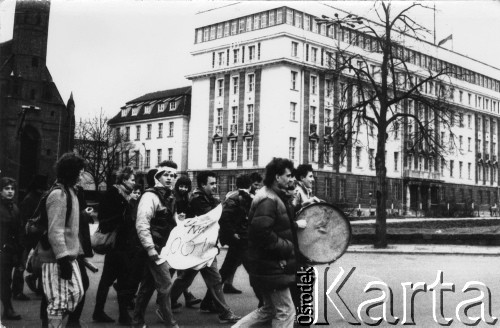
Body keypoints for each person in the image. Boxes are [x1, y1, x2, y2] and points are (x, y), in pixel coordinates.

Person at [233, 158, 306, 328]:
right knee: (286, 311)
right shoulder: (268, 200)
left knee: (269, 310)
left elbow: (278, 226)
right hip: (271, 266)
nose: (292, 179)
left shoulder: (273, 196)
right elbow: (262, 234)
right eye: (288, 176)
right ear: (276, 177)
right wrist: (287, 248)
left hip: (267, 265)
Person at [170, 171, 241, 324]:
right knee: (189, 279)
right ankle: (224, 312)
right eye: (212, 184)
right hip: (199, 247)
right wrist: (219, 204)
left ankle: (224, 312)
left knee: (202, 279)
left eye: (215, 183)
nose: (215, 186)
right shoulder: (198, 199)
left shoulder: (205, 198)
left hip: (204, 246)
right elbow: (212, 216)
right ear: (203, 184)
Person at [39, 152, 86, 328]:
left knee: (77, 293)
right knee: (58, 303)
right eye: (80, 172)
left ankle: (53, 321)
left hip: (68, 256)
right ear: (71, 172)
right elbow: (55, 231)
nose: (82, 175)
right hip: (56, 258)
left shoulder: (71, 192)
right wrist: (63, 258)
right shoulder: (58, 195)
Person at [133, 161, 179, 328]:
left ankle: (137, 321)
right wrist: (151, 249)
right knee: (166, 285)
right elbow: (142, 224)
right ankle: (171, 324)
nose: (170, 178)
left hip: (164, 248)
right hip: (156, 249)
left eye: (173, 176)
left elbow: (170, 222)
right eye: (166, 175)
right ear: (158, 177)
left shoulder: (169, 196)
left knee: (148, 285)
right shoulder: (150, 196)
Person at [93, 166, 137, 325]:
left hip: (124, 244)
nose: (134, 182)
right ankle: (115, 314)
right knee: (113, 280)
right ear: (124, 180)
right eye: (132, 179)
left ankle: (113, 313)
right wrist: (128, 204)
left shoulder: (125, 194)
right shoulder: (112, 194)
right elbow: (108, 218)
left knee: (117, 280)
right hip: (116, 244)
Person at [219, 174, 256, 298]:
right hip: (240, 239)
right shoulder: (241, 197)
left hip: (239, 239)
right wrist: (233, 233)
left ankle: (208, 301)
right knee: (253, 269)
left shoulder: (234, 196)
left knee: (225, 270)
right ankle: (266, 300)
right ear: (250, 185)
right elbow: (226, 218)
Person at [171, 176, 201, 309]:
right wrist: (178, 217)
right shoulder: (174, 197)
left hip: (182, 234)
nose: (183, 189)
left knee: (180, 268)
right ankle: (169, 297)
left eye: (185, 187)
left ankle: (185, 296)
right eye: (181, 186)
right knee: (172, 268)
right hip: (173, 235)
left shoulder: (186, 198)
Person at [20, 174, 49, 297]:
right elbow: (26, 218)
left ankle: (40, 287)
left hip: (37, 234)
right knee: (30, 262)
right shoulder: (31, 199)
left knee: (40, 262)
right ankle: (30, 284)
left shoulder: (37, 197)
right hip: (32, 235)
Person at [0, 177, 23, 320]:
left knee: (5, 280)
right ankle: (8, 309)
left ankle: (7, 308)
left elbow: (18, 229)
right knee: (4, 280)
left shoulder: (14, 207)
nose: (10, 191)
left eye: (12, 189)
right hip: (1, 250)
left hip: (10, 250)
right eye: (6, 189)